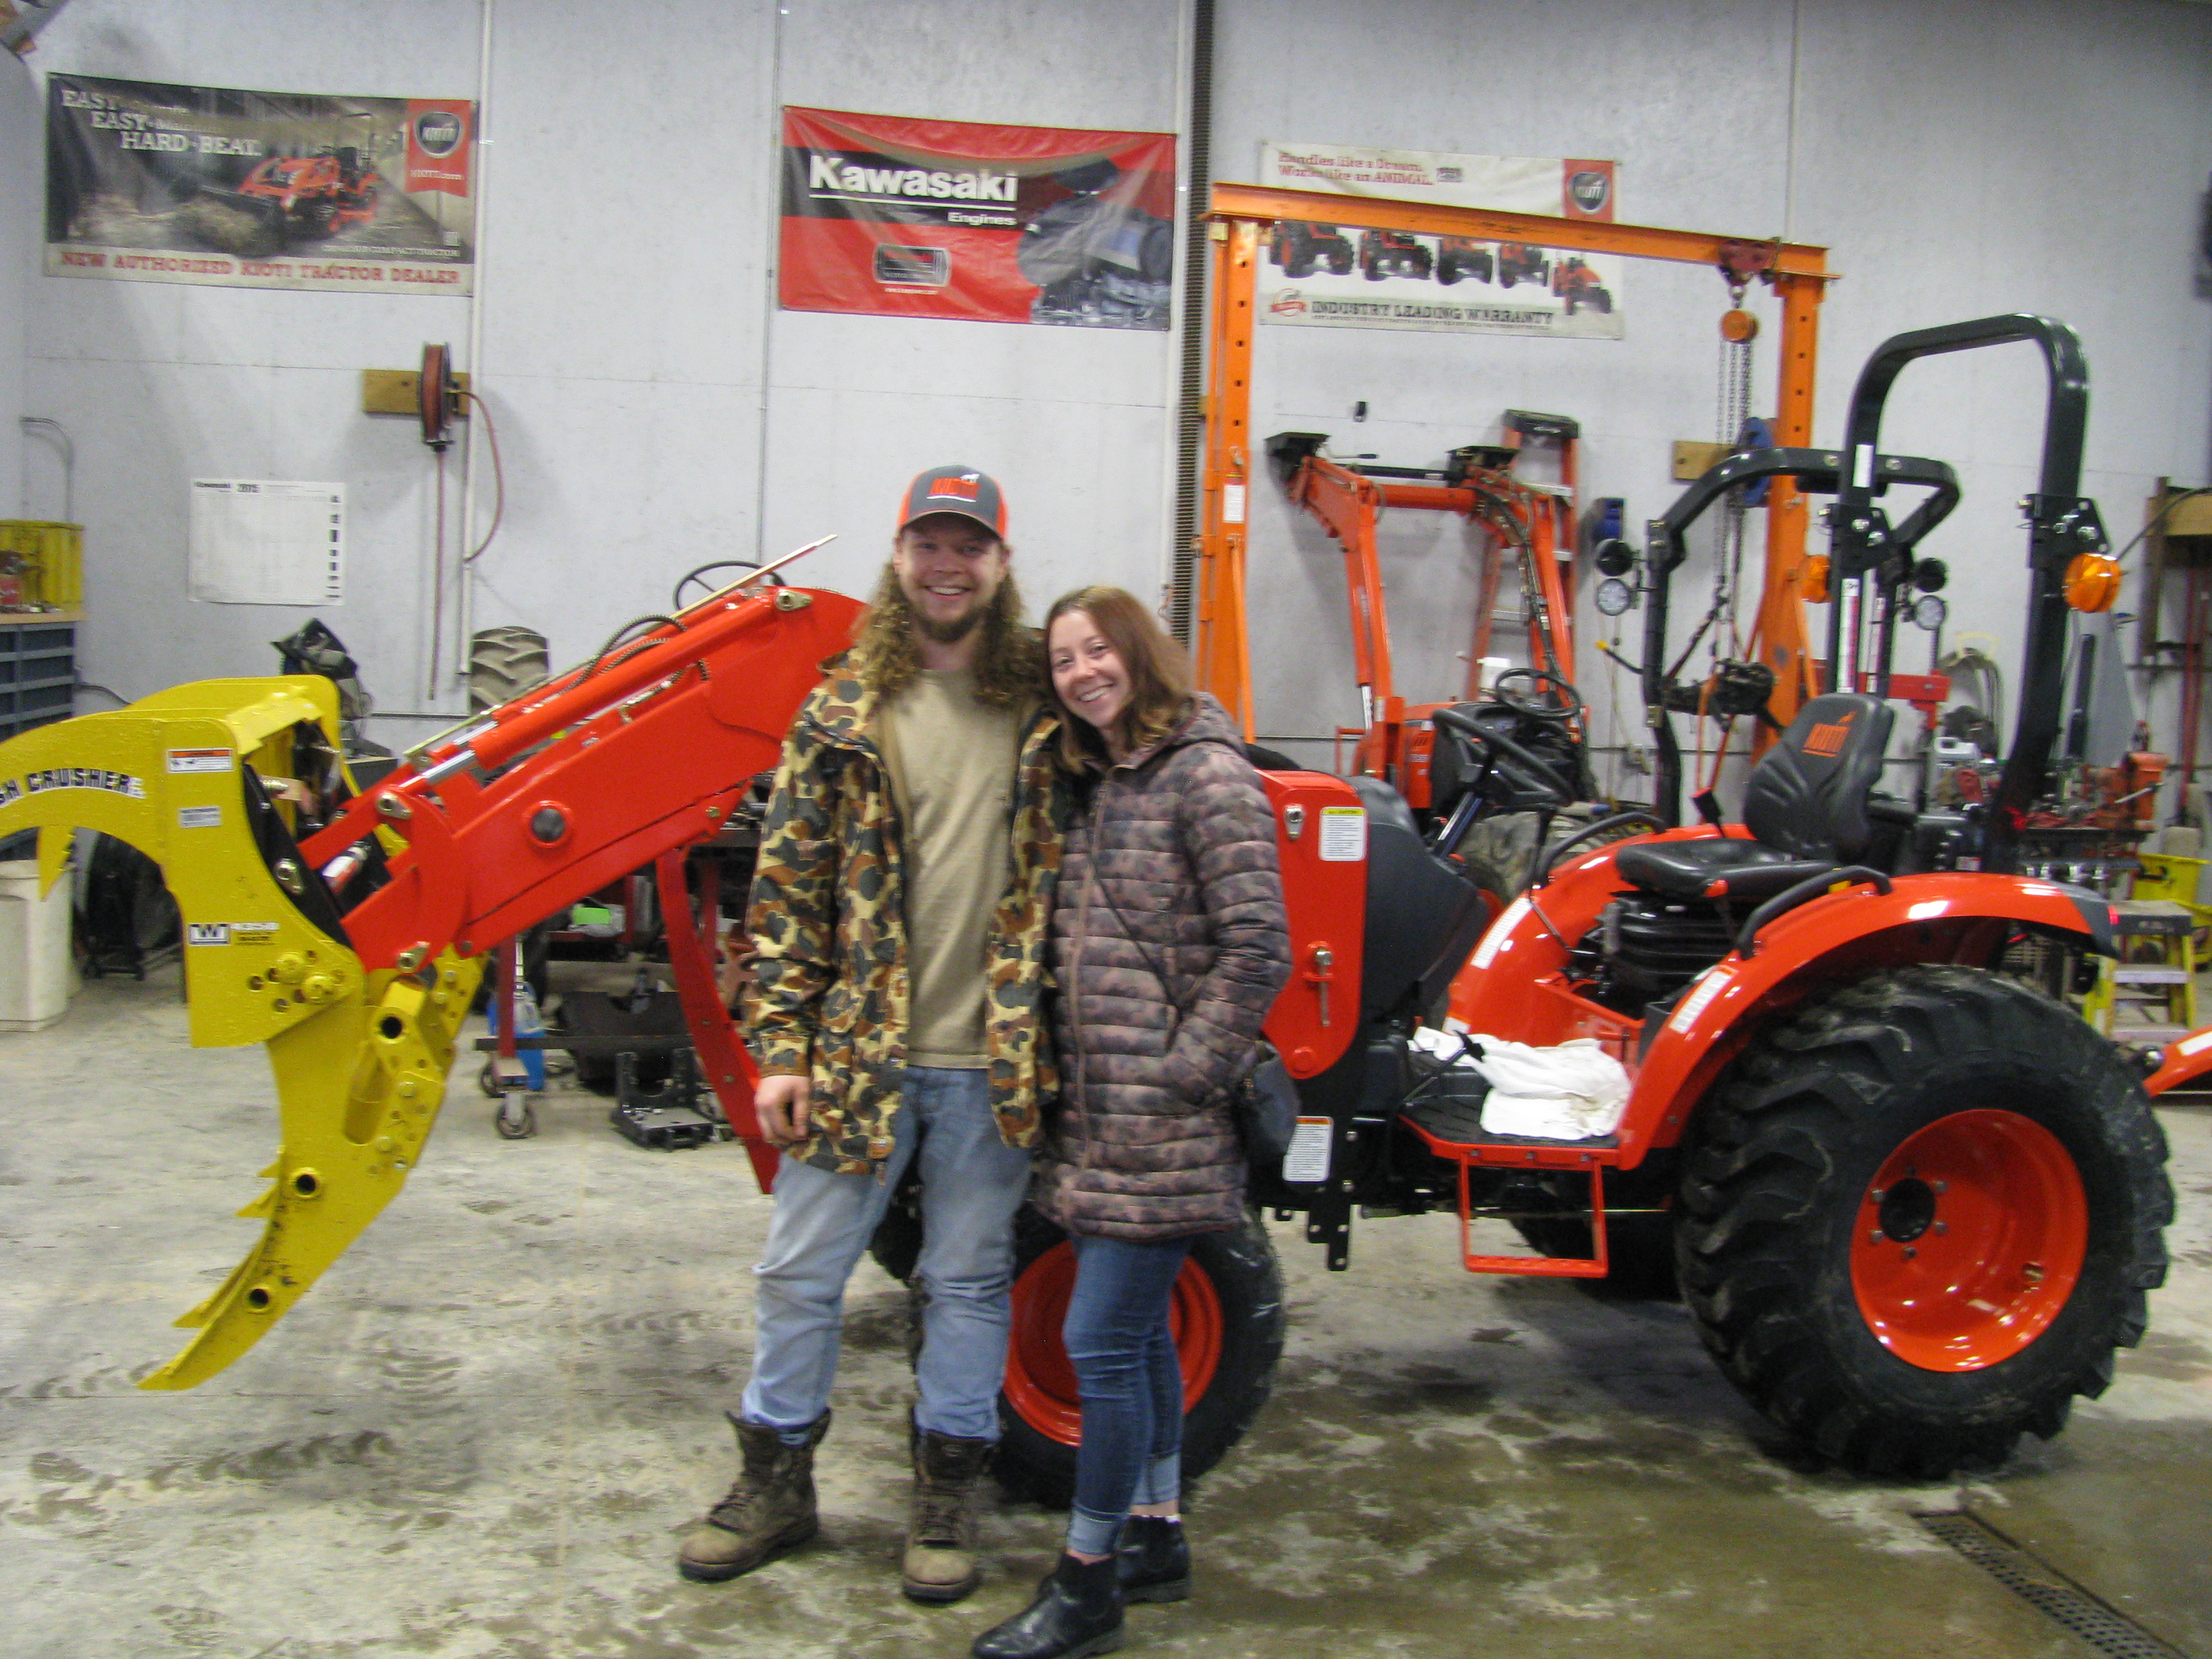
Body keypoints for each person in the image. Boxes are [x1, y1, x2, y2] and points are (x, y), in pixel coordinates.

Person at [678, 466, 1064, 1606]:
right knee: (800, 1274)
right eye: (928, 544)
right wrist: (781, 1049)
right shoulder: (841, 709)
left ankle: (944, 1498)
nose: (948, 566)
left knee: (967, 1282)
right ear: (899, 558)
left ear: (1000, 563)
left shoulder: (1047, 704)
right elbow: (788, 891)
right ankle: (775, 1485)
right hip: (858, 1056)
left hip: (994, 1063)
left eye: (969, 546)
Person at [972, 587, 1290, 1659]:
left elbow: (1258, 949)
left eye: (1098, 650)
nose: (1082, 673)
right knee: (1141, 1336)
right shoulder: (1104, 777)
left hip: (1160, 1120)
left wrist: (1180, 1076)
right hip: (1099, 1118)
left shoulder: (1206, 773)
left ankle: (1088, 1579)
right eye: (1064, 660)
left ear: (1139, 654)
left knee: (1099, 1343)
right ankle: (1156, 1537)